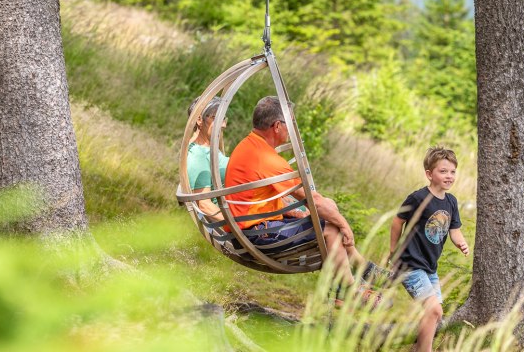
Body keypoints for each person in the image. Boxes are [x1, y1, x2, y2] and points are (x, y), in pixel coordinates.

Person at [224, 96, 388, 305]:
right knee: (330, 227)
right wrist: (346, 225)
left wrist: (296, 213)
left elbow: (259, 199)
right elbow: (314, 201)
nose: (292, 128)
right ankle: (348, 289)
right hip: (256, 235)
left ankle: (350, 282)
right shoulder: (267, 159)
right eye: (290, 123)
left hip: (255, 227)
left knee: (330, 209)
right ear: (277, 126)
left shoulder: (250, 146)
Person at [389, 146, 469, 352]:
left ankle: (417, 348)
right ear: (429, 174)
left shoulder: (451, 201)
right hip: (410, 264)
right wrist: (393, 251)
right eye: (443, 171)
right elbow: (398, 221)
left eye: (452, 171)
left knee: (436, 314)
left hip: (430, 268)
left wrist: (461, 243)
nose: (449, 176)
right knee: (433, 311)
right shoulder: (418, 198)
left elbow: (454, 230)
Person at [187, 96, 229, 221]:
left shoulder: (209, 148)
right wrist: (239, 226)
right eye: (216, 118)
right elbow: (204, 204)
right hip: (240, 227)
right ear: (199, 119)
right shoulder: (197, 154)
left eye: (224, 118)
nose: (224, 125)